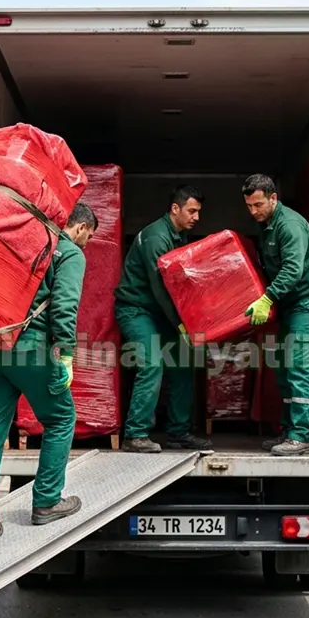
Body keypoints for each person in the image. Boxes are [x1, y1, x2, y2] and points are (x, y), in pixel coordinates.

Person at [0, 202, 98, 552]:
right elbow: (65, 306)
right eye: (89, 236)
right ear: (81, 227)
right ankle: (47, 502)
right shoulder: (68, 252)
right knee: (61, 418)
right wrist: (65, 354)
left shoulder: (16, 244)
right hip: (30, 349)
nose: (87, 243)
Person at [114, 185, 213, 454]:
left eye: (198, 212)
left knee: (183, 363)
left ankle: (179, 433)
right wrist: (182, 324)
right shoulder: (157, 237)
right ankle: (135, 434)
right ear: (175, 209)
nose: (196, 217)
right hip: (137, 310)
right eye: (191, 211)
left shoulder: (178, 236)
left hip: (161, 311)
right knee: (152, 363)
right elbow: (161, 288)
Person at [242, 174, 309, 457]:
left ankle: (301, 437)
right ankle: (289, 431)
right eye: (249, 206)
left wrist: (267, 298)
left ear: (273, 198)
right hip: (290, 305)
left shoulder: (289, 225)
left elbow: (292, 270)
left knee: (299, 367)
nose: (253, 211)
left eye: (258, 205)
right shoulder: (267, 225)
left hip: (308, 302)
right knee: (283, 368)